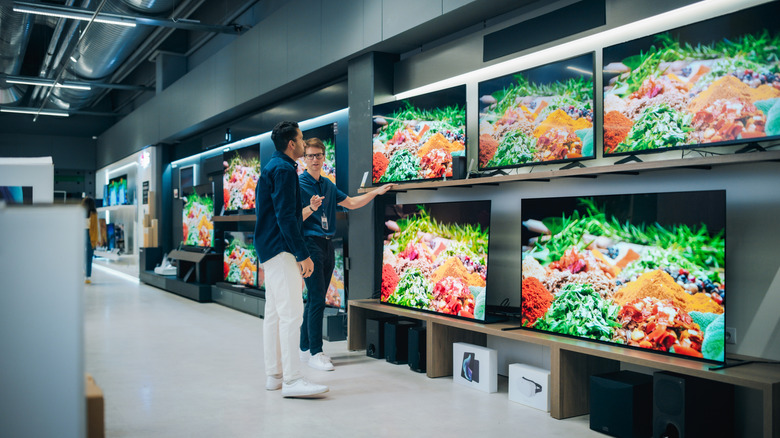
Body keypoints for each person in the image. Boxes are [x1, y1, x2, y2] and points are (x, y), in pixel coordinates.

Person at [298, 137, 394, 371]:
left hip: (328, 244)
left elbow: (351, 202)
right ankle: (316, 352)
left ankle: (304, 348)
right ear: (304, 159)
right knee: (317, 298)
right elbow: (293, 218)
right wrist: (311, 207)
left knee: (315, 297)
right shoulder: (298, 184)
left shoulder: (328, 185)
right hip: (310, 244)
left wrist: (376, 192)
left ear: (324, 157)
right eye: (310, 156)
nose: (314, 160)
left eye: (318, 155)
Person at [254, 121, 329, 398]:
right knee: (291, 314)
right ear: (291, 144)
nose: (304, 143)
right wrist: (302, 254)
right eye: (301, 139)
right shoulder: (285, 170)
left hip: (268, 248)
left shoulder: (272, 167)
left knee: (274, 314)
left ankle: (275, 375)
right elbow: (286, 217)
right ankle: (293, 380)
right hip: (281, 248)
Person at [82, 196, 98, 284]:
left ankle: (82, 272)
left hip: (81, 234)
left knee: (81, 256)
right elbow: (95, 228)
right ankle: (87, 277)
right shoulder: (94, 214)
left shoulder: (80, 213)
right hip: (90, 235)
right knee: (89, 257)